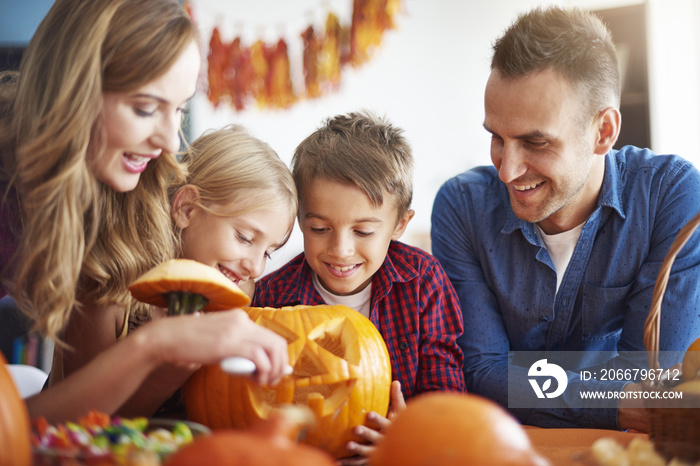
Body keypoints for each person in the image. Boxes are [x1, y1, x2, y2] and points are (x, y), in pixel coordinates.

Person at [0, 0, 289, 423]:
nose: (172, 143)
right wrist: (154, 347)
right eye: (145, 108)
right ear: (74, 89)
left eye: (180, 110)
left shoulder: (112, 199)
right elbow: (19, 435)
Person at [431, 6, 700, 432]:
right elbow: (481, 373)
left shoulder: (670, 193)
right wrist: (609, 401)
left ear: (604, 132)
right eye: (497, 138)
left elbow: (654, 384)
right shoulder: (462, 206)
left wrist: (523, 385)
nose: (507, 171)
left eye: (535, 142)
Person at [253, 111, 464, 464]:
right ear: (298, 220)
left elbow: (446, 392)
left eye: (363, 232)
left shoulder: (423, 282)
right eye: (319, 228)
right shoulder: (271, 300)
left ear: (399, 224)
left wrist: (412, 431)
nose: (340, 250)